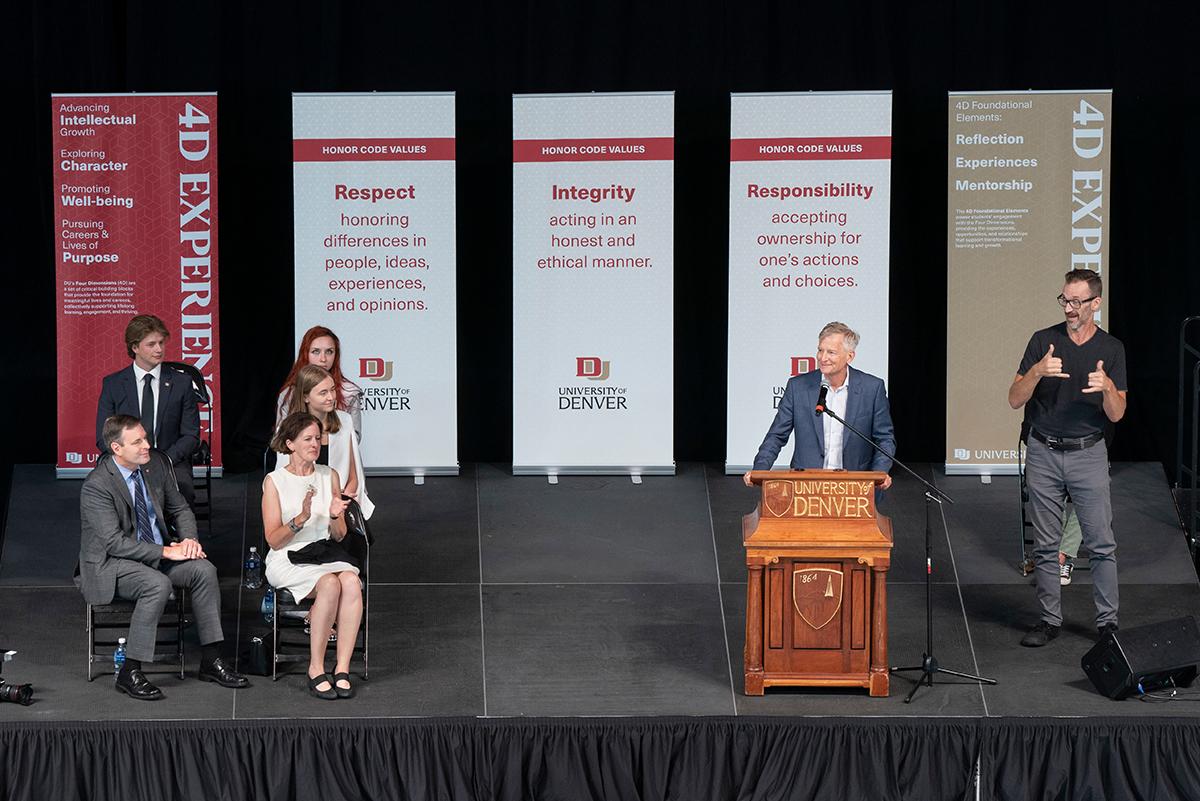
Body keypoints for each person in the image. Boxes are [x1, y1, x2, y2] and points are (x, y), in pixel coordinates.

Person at [78, 415, 248, 700]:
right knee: (156, 584)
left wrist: (190, 541)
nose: (148, 445)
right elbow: (115, 543)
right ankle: (129, 671)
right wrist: (169, 550)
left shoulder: (154, 465)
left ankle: (211, 659)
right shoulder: (96, 486)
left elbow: (180, 508)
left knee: (204, 570)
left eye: (145, 438)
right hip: (113, 564)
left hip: (157, 556)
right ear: (117, 448)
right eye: (138, 442)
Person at [1008, 268, 1127, 647]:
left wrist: (1107, 386)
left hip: (1088, 453)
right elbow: (1014, 398)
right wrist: (1038, 372)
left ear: (1096, 303)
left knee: (1101, 543)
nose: (1069, 309)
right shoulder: (1043, 341)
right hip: (1043, 451)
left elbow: (1117, 413)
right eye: (1065, 300)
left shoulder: (1111, 349)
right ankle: (1048, 620)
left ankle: (1108, 624)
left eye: (1077, 301)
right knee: (1045, 544)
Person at [263, 412, 364, 699]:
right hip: (288, 555)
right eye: (307, 439)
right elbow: (273, 539)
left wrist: (334, 515)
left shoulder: (328, 475)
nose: (315, 444)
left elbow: (340, 535)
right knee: (330, 583)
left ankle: (342, 668)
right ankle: (316, 668)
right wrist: (300, 519)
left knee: (350, 582)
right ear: (290, 443)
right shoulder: (275, 481)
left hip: (323, 552)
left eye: (317, 438)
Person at [744, 321, 895, 488]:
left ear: (850, 356)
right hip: (805, 486)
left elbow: (885, 439)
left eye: (831, 352)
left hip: (856, 488)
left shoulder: (872, 388)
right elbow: (776, 436)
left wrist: (879, 474)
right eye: (820, 350)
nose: (823, 358)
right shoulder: (798, 387)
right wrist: (759, 471)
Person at [96, 315, 201, 504]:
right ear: (134, 347)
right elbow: (104, 437)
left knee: (183, 489)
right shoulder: (113, 384)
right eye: (151, 344)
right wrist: (130, 460)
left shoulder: (182, 383)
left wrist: (163, 461)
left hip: (170, 461)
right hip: (125, 462)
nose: (159, 349)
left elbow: (191, 435)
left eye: (161, 343)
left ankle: (182, 534)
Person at [277, 365, 374, 518]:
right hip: (305, 507)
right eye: (323, 393)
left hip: (341, 503)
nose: (331, 397)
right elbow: (285, 480)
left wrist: (344, 499)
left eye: (333, 390)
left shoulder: (345, 421)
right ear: (305, 397)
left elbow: (354, 475)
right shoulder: (290, 428)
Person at [277, 326, 363, 440]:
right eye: (316, 351)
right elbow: (281, 439)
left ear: (336, 355)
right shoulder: (290, 393)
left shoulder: (349, 392)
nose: (323, 359)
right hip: (300, 456)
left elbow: (354, 440)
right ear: (305, 354)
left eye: (329, 351)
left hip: (338, 455)